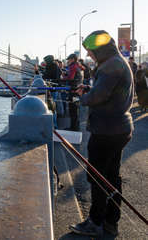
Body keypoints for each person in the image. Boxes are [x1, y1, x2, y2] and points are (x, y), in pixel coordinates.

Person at [69, 30, 134, 237]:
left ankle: (95, 222)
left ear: (100, 49)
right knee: (111, 177)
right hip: (118, 129)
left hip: (107, 131)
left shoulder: (111, 65)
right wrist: (89, 88)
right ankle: (110, 222)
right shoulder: (115, 62)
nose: (89, 56)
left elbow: (99, 96)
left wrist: (83, 97)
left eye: (90, 52)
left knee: (97, 178)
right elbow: (107, 91)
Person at [62, 53, 83, 131]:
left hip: (73, 91)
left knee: (73, 109)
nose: (68, 61)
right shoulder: (78, 66)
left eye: (69, 59)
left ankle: (73, 127)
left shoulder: (73, 66)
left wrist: (64, 76)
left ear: (73, 59)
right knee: (76, 109)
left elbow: (70, 78)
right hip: (77, 91)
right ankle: (76, 127)